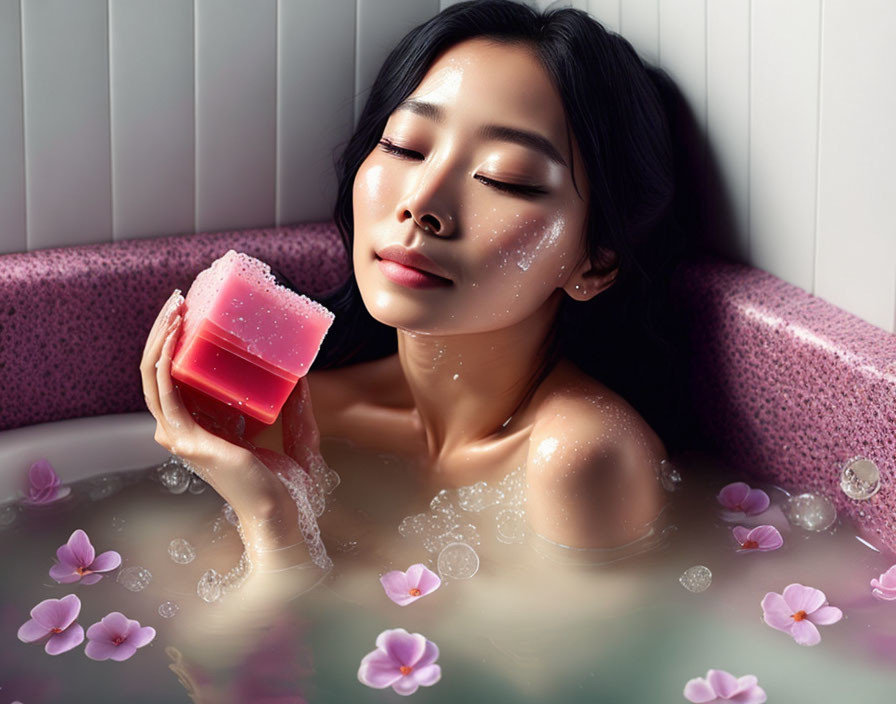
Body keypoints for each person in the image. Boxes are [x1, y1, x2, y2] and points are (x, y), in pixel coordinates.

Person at [141, 0, 689, 580]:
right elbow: (205, 648)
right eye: (405, 146)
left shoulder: (582, 457)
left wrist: (282, 536)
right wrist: (269, 511)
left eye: (506, 178)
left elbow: (559, 670)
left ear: (596, 263)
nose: (422, 203)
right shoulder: (308, 414)